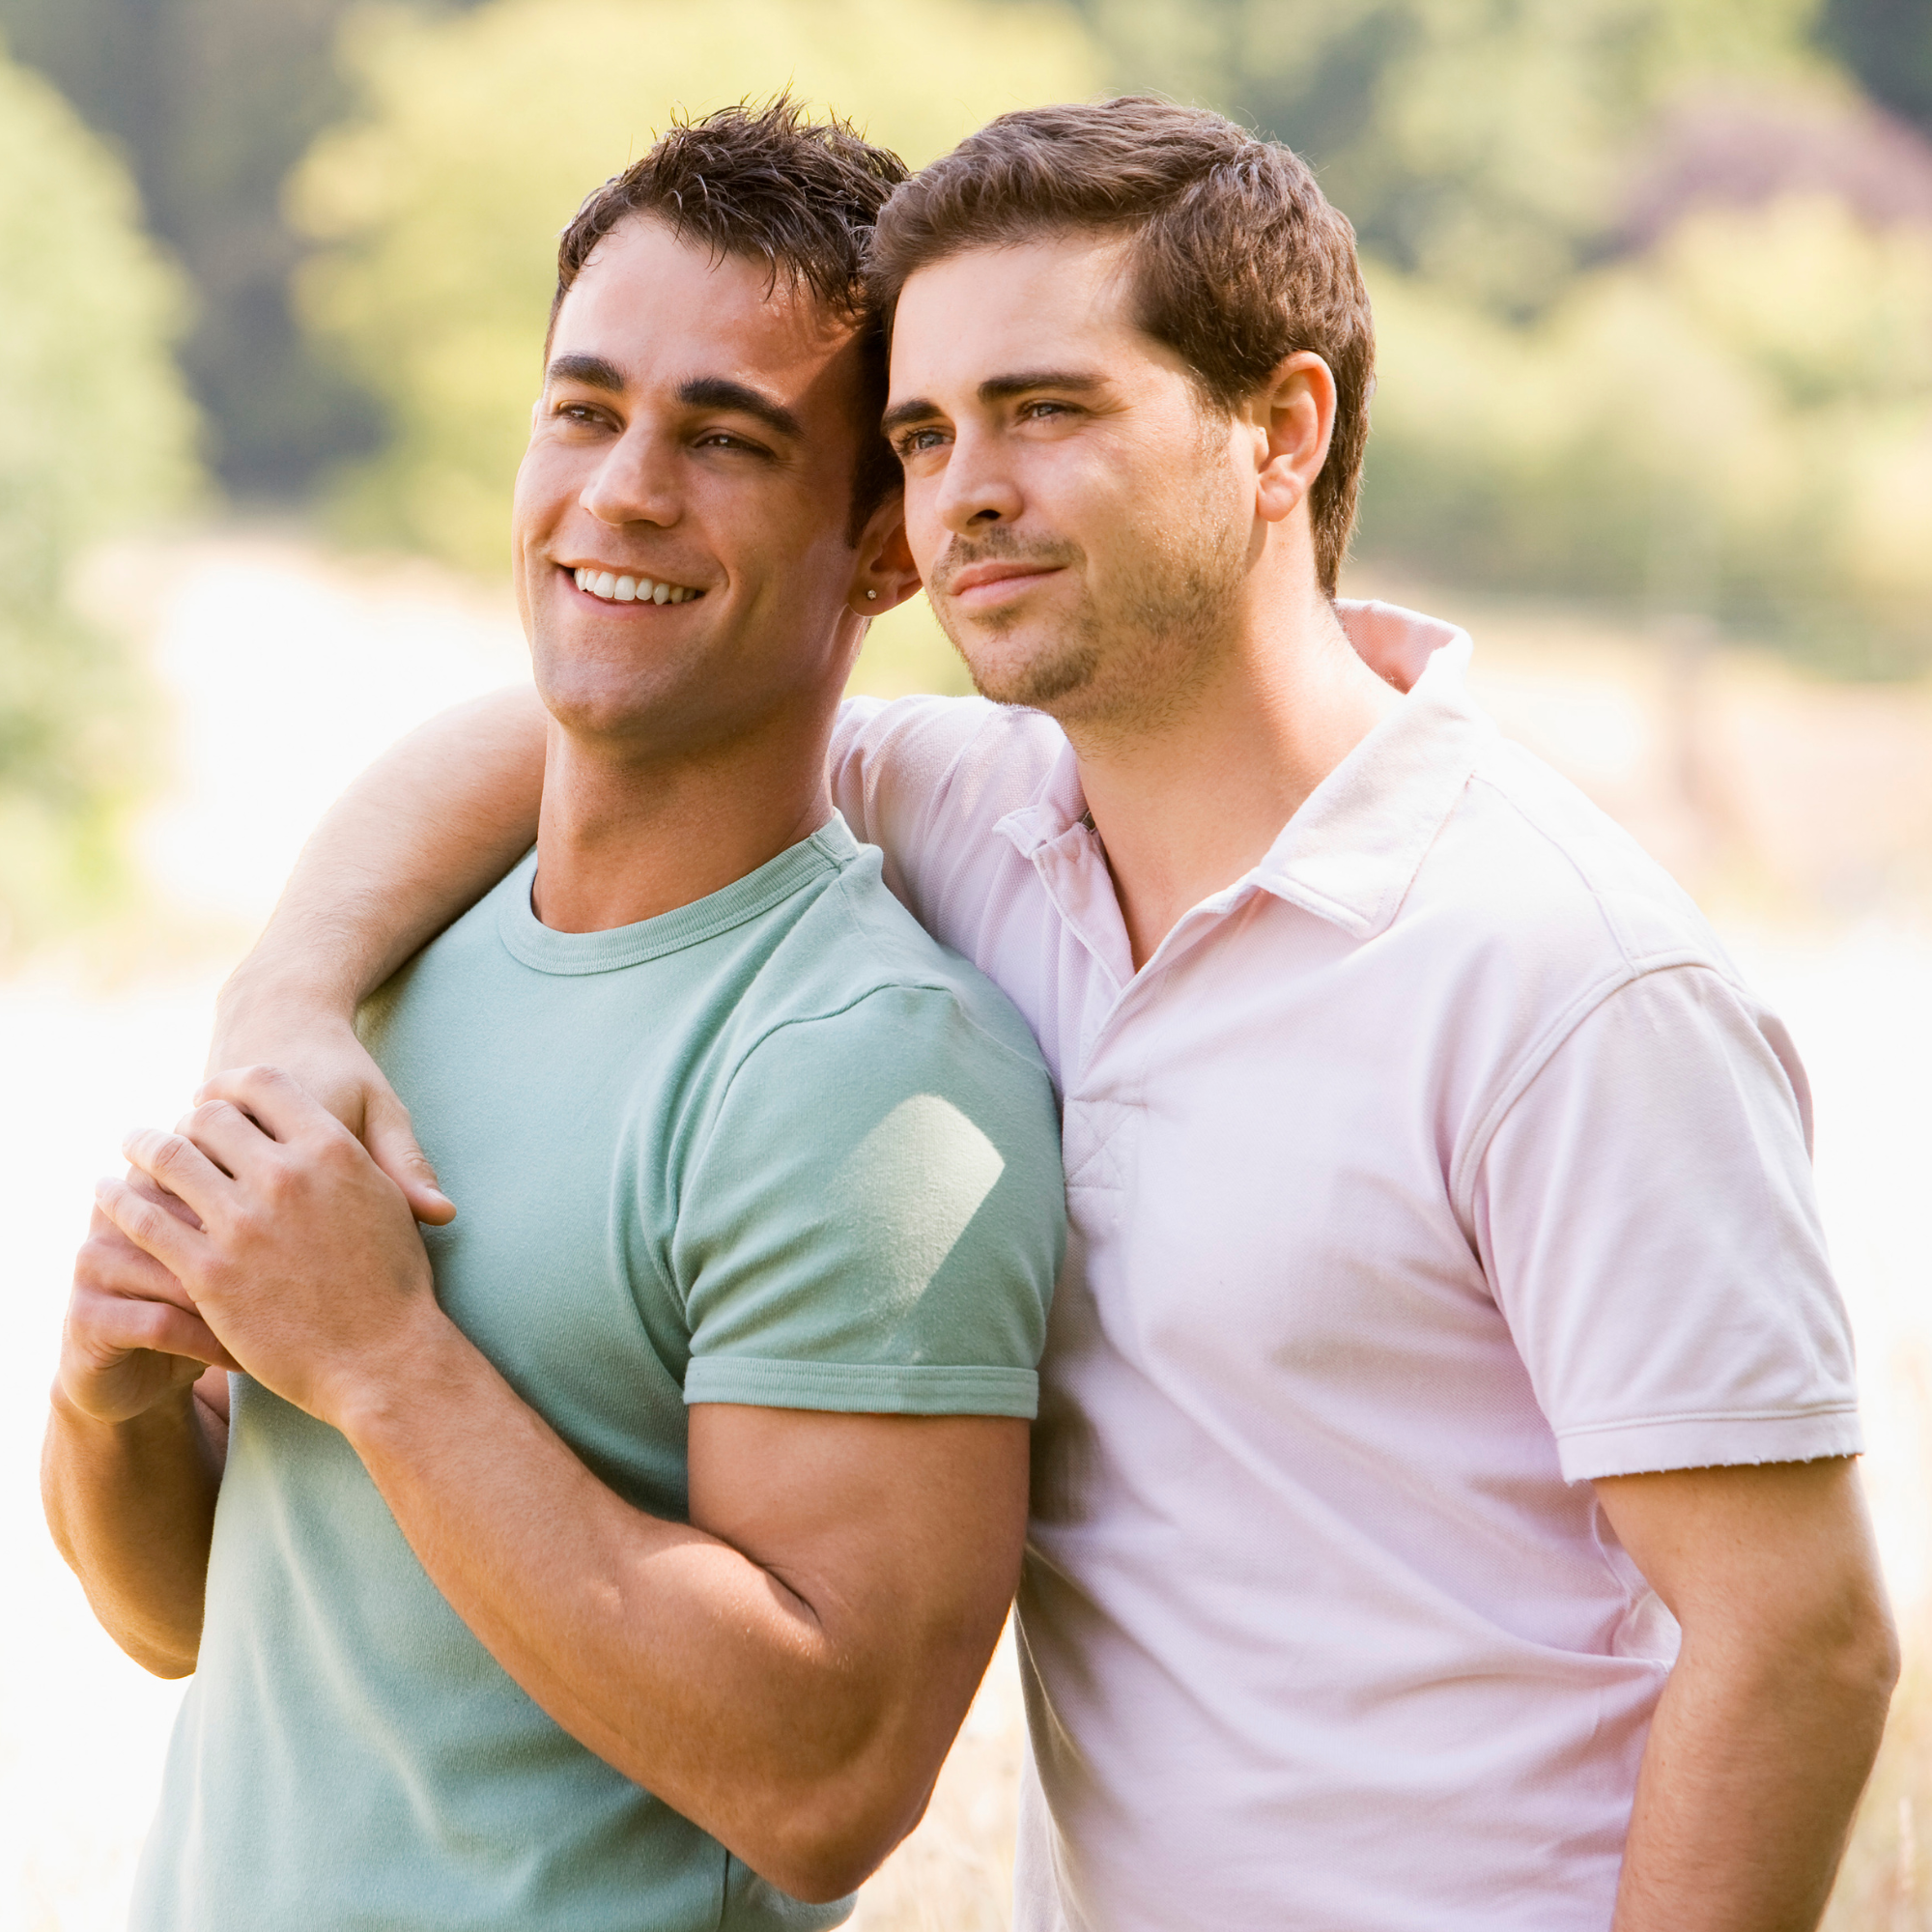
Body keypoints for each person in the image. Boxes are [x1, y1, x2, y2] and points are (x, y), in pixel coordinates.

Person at [110, 98, 1896, 1932]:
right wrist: (286, 1000)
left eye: (1047, 410)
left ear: (1283, 431)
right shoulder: (985, 819)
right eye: (922, 430)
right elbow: (589, 702)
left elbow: (1803, 1642)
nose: (964, 488)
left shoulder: (1561, 975)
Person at [42, 100, 1067, 1932]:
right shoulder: (384, 964)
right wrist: (113, 1402)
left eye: (727, 439)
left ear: (887, 548)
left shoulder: (893, 1088)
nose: (622, 493)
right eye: (584, 408)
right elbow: (200, 1616)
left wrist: (380, 1357)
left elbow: (829, 1783)